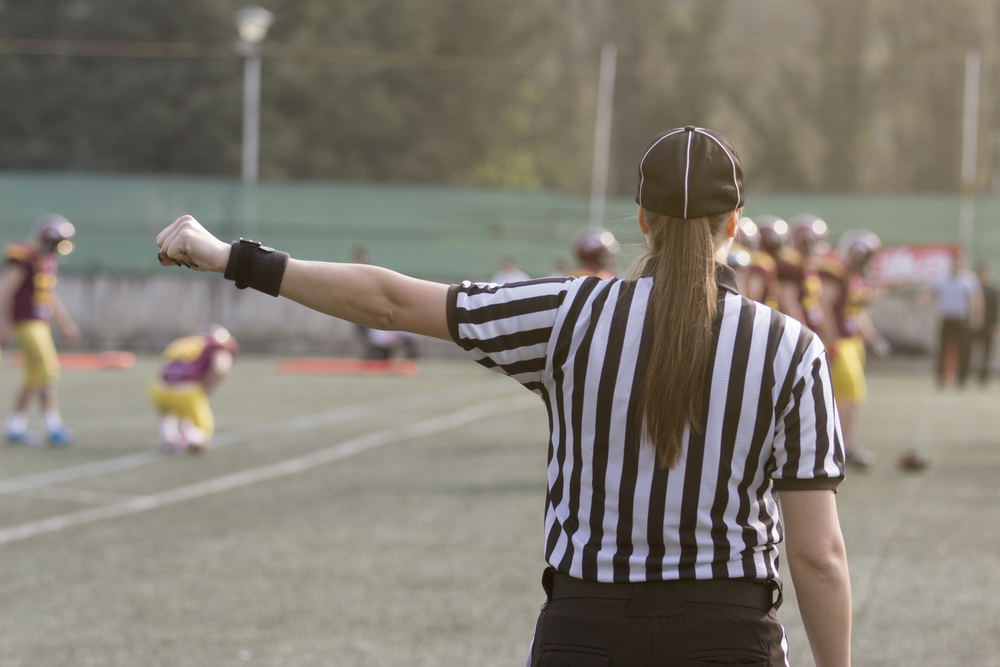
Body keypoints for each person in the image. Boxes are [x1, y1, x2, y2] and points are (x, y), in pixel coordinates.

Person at [155, 125, 851, 667]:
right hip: (728, 635)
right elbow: (817, 553)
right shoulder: (791, 349)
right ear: (734, 224)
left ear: (641, 219)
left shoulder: (568, 314)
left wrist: (229, 256)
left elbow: (391, 302)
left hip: (585, 630)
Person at [0, 215, 79, 446]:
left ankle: (31, 425)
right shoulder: (26, 257)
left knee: (39, 374)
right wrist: (3, 323)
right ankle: (37, 425)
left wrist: (64, 324)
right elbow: (6, 290)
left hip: (38, 323)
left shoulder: (45, 262)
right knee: (47, 371)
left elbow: (48, 297)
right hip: (25, 322)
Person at [816, 230, 888, 469]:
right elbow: (824, 306)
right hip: (840, 343)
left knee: (851, 397)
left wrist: (873, 338)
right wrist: (830, 339)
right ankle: (838, 449)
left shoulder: (851, 276)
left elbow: (856, 314)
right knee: (848, 395)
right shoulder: (836, 272)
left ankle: (844, 447)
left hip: (851, 344)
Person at [148, 324, 238, 453]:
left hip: (158, 389)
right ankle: (190, 437)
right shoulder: (216, 346)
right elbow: (220, 367)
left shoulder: (183, 342)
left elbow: (164, 366)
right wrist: (204, 389)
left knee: (167, 410)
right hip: (186, 392)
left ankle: (168, 437)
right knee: (203, 435)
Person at [928, 256, 983, 388]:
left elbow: (976, 299)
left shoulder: (968, 279)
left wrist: (976, 316)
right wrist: (916, 305)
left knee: (964, 350)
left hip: (962, 319)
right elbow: (929, 293)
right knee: (942, 349)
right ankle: (941, 378)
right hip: (946, 318)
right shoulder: (942, 279)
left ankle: (962, 378)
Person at [974, 263, 998, 383]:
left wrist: (993, 324)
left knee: (987, 350)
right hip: (974, 324)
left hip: (988, 324)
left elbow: (994, 309)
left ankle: (983, 375)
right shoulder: (972, 288)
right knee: (974, 349)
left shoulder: (991, 290)